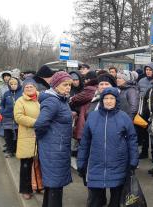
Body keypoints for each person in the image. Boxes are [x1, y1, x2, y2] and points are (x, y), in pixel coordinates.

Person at [77, 87, 139, 207]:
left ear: (116, 100)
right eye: (106, 98)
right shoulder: (93, 117)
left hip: (118, 164)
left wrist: (133, 160)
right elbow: (85, 142)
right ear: (102, 100)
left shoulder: (123, 117)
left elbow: (132, 140)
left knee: (116, 200)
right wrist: (81, 163)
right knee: (95, 200)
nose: (109, 101)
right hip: (96, 165)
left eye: (112, 98)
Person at [34, 71, 73, 207]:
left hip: (57, 148)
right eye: (65, 85)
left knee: (53, 185)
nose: (68, 87)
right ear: (56, 85)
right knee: (55, 186)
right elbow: (40, 124)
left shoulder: (61, 99)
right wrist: (46, 139)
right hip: (54, 150)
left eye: (69, 85)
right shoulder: (52, 101)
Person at [13, 78, 40, 200]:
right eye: (26, 87)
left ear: (36, 88)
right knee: (26, 165)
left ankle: (39, 185)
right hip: (27, 136)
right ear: (23, 89)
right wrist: (36, 122)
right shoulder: (20, 101)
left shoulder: (41, 99)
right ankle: (25, 189)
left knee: (40, 163)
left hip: (42, 136)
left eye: (31, 86)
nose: (29, 88)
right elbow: (18, 117)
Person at [69, 77, 99, 157]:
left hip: (84, 118)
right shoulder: (94, 90)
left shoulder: (89, 89)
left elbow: (76, 99)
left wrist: (71, 99)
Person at [137, 62, 153, 159]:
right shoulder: (141, 81)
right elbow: (138, 93)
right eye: (147, 70)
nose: (148, 72)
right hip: (143, 109)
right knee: (143, 132)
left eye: (150, 70)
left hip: (152, 110)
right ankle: (144, 152)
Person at [0, 77, 23, 158]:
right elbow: (2, 104)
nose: (13, 85)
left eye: (15, 84)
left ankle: (17, 150)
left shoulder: (22, 93)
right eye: (11, 84)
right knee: (8, 135)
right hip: (7, 118)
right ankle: (10, 151)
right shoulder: (6, 93)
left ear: (18, 84)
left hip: (18, 119)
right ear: (9, 85)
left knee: (18, 135)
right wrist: (2, 111)